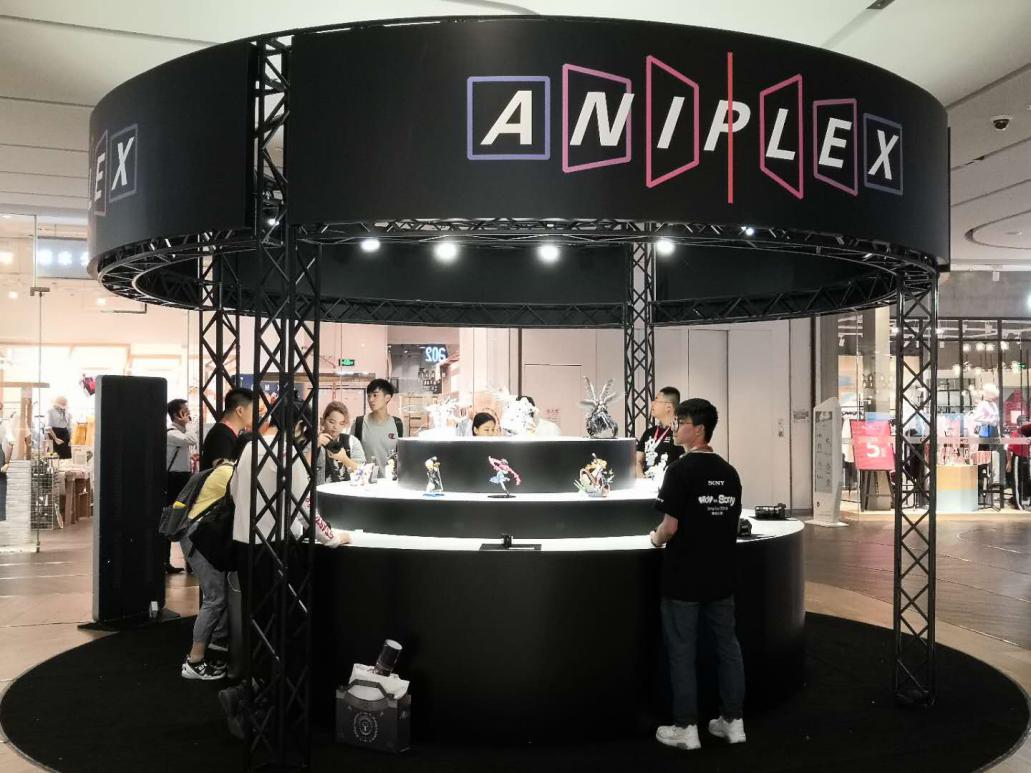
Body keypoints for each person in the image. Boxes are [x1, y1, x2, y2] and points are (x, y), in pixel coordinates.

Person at [649, 398, 746, 751]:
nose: (675, 428)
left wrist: (654, 538)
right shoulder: (729, 472)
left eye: (681, 423)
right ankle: (733, 722)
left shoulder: (680, 471)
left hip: (684, 577)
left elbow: (669, 527)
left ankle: (686, 728)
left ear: (699, 429)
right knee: (727, 648)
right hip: (721, 575)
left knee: (681, 650)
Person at [179, 432, 248, 681]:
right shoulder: (231, 474)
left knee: (217, 596)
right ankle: (194, 661)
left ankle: (216, 644)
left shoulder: (226, 468)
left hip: (199, 537)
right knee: (215, 598)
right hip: (199, 539)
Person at [164, 398, 197, 574]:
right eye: (185, 410)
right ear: (177, 415)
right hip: (174, 480)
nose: (189, 413)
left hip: (183, 478)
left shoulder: (180, 433)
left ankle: (189, 562)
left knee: (186, 519)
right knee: (171, 518)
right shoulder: (171, 433)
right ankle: (165, 561)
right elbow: (191, 439)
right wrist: (189, 424)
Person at [352, 379, 404, 474]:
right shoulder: (359, 423)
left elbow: (403, 457)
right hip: (365, 480)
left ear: (387, 398)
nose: (371, 399)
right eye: (369, 396)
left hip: (390, 481)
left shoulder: (398, 425)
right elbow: (351, 455)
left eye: (375, 395)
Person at [200, 388, 257, 471]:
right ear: (240, 411)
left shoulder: (226, 433)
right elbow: (223, 474)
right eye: (254, 411)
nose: (257, 415)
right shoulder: (221, 436)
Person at [637, 386, 684, 477]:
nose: (652, 403)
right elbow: (637, 461)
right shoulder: (649, 432)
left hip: (668, 483)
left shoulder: (680, 432)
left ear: (668, 407)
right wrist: (642, 478)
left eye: (656, 400)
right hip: (646, 482)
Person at [316, 401, 367, 483]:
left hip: (347, 490)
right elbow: (301, 470)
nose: (336, 427)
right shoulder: (313, 441)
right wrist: (315, 445)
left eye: (341, 423)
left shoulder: (352, 441)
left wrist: (344, 458)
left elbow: (363, 473)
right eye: (331, 422)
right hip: (319, 490)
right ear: (323, 421)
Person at [47, 396, 72, 460]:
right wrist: (55, 438)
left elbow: (69, 427)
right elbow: (48, 427)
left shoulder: (68, 412)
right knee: (54, 456)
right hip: (54, 433)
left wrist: (70, 439)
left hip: (65, 434)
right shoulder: (51, 411)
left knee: (66, 456)